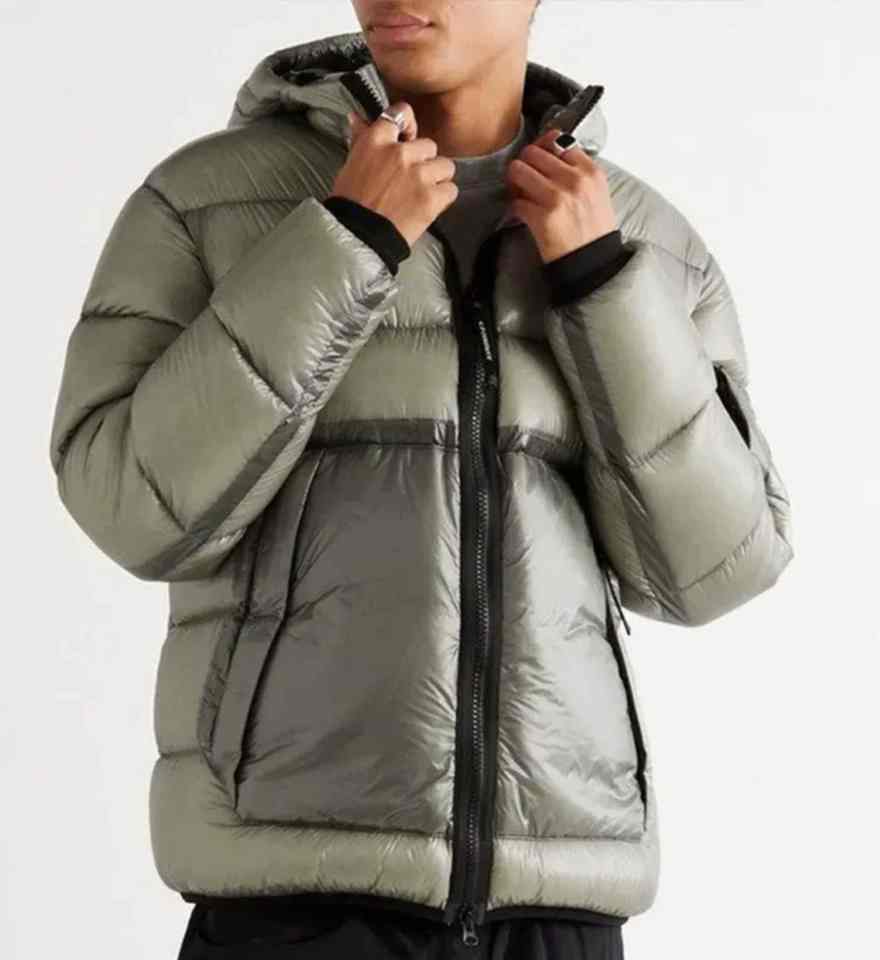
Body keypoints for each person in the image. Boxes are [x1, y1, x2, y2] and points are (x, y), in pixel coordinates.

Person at [47, 1, 795, 957]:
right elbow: (129, 506)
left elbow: (714, 570)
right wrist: (347, 240)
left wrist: (600, 283)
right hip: (296, 896)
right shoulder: (205, 202)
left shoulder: (649, 241)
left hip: (556, 903)